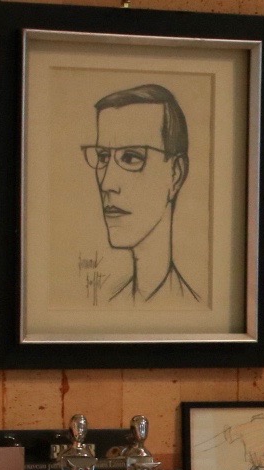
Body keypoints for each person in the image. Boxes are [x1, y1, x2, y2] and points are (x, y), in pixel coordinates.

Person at [85, 83, 199, 304]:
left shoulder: (190, 306)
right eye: (103, 157)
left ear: (175, 174)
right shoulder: (113, 305)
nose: (107, 183)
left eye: (130, 158)